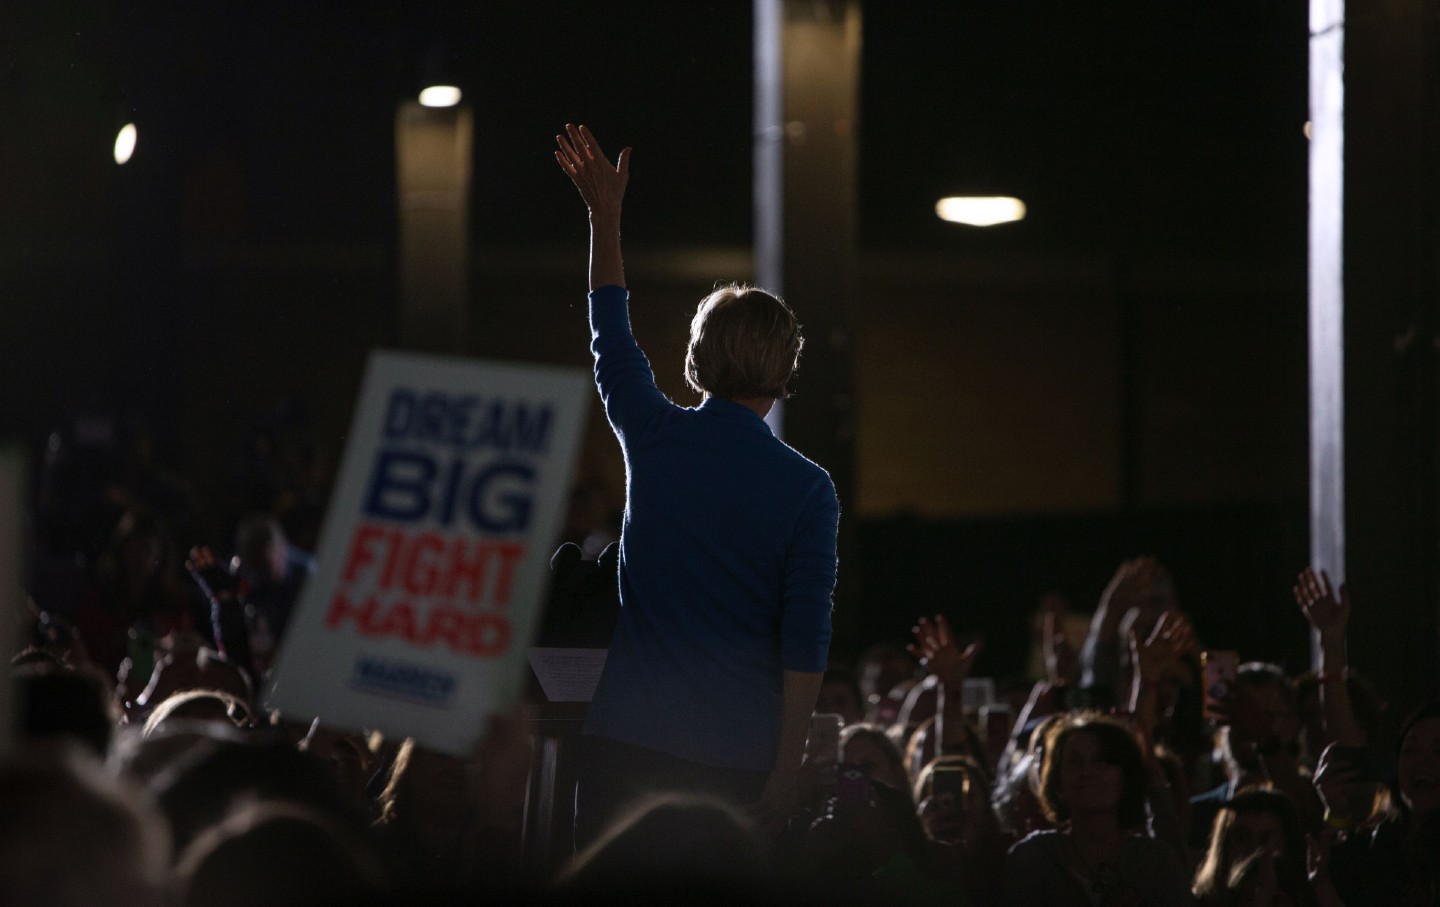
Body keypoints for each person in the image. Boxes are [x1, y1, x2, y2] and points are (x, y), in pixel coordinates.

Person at [554, 124, 840, 845]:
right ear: (784, 377)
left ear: (696, 359)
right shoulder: (810, 491)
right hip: (739, 763)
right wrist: (784, 769)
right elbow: (805, 641)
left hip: (627, 743)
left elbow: (609, 333)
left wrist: (605, 220)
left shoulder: (654, 439)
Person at [1004, 713, 1196, 906]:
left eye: (1101, 761)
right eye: (1074, 761)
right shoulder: (1034, 859)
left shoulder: (1154, 861)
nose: (1087, 772)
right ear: (1057, 779)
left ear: (1125, 777)